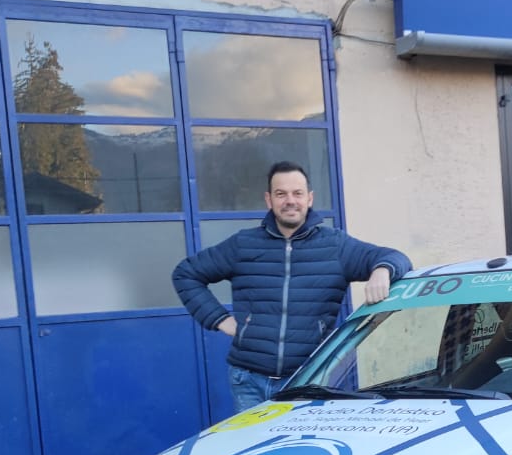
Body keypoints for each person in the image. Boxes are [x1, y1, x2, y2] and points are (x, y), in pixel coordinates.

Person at [173, 161, 412, 413]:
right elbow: (186, 274)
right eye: (281, 194)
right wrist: (221, 320)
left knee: (305, 450)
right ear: (269, 200)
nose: (290, 200)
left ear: (309, 199)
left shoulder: (335, 246)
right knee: (257, 450)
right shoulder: (244, 244)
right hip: (249, 381)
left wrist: (382, 270)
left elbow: (397, 257)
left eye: (297, 193)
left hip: (308, 381)